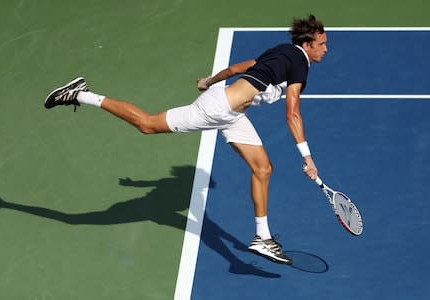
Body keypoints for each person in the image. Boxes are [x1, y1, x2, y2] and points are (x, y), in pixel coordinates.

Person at [43, 14, 327, 265]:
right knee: (147, 124)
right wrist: (307, 157)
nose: (325, 49)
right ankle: (81, 94)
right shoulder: (300, 64)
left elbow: (239, 68)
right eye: (322, 44)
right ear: (307, 45)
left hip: (232, 111)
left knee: (263, 169)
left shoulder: (282, 51)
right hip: (218, 110)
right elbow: (292, 114)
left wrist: (210, 81)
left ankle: (262, 238)